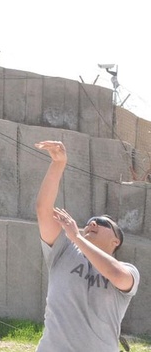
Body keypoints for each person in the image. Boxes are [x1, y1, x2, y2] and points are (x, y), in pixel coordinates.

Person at [34, 140, 139, 351]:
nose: (92, 223)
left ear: (115, 241)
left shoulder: (129, 271)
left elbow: (117, 275)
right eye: (90, 220)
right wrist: (58, 163)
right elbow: (43, 210)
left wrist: (78, 237)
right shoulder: (64, 251)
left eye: (101, 223)